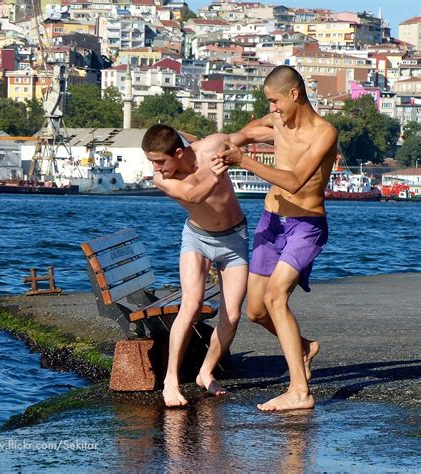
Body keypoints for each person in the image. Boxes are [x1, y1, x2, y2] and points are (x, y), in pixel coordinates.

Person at [219, 65, 338, 411]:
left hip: (306, 225)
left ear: (294, 94)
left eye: (274, 101)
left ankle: (299, 391)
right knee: (255, 310)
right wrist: (212, 148)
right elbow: (240, 136)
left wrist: (243, 161)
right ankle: (302, 347)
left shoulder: (324, 133)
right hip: (271, 222)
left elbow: (295, 180)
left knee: (275, 298)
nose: (271, 109)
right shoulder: (276, 122)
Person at [141, 124, 249, 408]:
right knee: (191, 304)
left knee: (233, 315)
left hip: (234, 239)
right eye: (151, 161)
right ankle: (171, 382)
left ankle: (206, 372)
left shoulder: (211, 148)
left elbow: (246, 135)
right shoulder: (162, 179)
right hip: (197, 239)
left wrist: (284, 127)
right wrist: (214, 176)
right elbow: (193, 197)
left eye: (160, 161)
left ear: (178, 152)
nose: (156, 168)